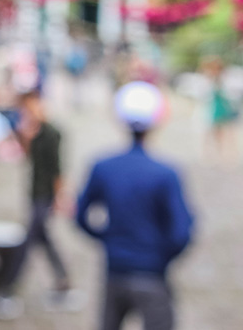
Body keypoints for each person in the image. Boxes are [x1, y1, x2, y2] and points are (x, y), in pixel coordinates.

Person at [76, 81, 194, 330]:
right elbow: (182, 231)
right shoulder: (165, 173)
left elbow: (79, 214)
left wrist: (107, 239)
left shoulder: (103, 166)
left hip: (115, 269)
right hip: (151, 271)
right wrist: (159, 256)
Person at [0, 89, 79, 321]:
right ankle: (63, 282)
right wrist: (24, 135)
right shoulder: (33, 132)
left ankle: (8, 289)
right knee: (44, 240)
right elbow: (26, 157)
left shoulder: (52, 133)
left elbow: (57, 169)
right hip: (34, 194)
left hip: (44, 196)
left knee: (27, 243)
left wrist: (61, 197)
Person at [200, 55, 238, 165]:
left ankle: (226, 154)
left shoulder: (224, 79)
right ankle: (209, 153)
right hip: (212, 108)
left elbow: (231, 94)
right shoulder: (208, 80)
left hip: (223, 107)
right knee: (209, 132)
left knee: (226, 132)